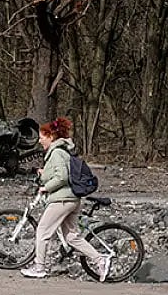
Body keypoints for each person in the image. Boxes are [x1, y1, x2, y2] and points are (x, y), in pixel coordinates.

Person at [20, 117, 110, 281]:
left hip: (61, 200)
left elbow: (61, 177)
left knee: (42, 231)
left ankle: (39, 267)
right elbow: (58, 173)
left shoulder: (57, 153)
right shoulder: (62, 152)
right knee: (71, 237)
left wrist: (46, 187)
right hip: (71, 199)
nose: (40, 141)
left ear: (50, 137)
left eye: (42, 137)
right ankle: (100, 260)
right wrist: (44, 173)